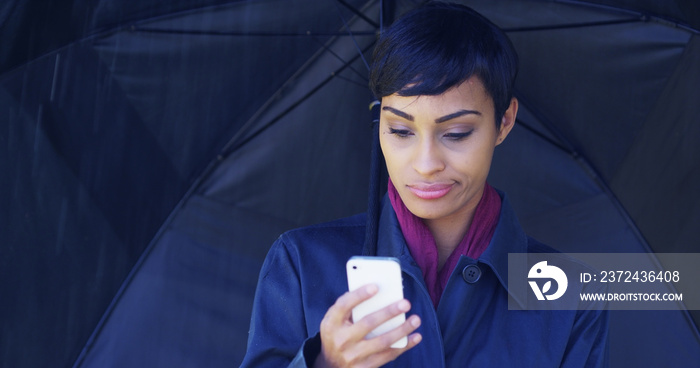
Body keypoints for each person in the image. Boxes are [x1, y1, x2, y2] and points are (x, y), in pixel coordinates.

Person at [240, 2, 608, 367]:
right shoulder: (302, 264)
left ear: (505, 121)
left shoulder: (571, 295)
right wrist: (323, 365)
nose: (426, 164)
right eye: (400, 131)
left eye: (457, 133)